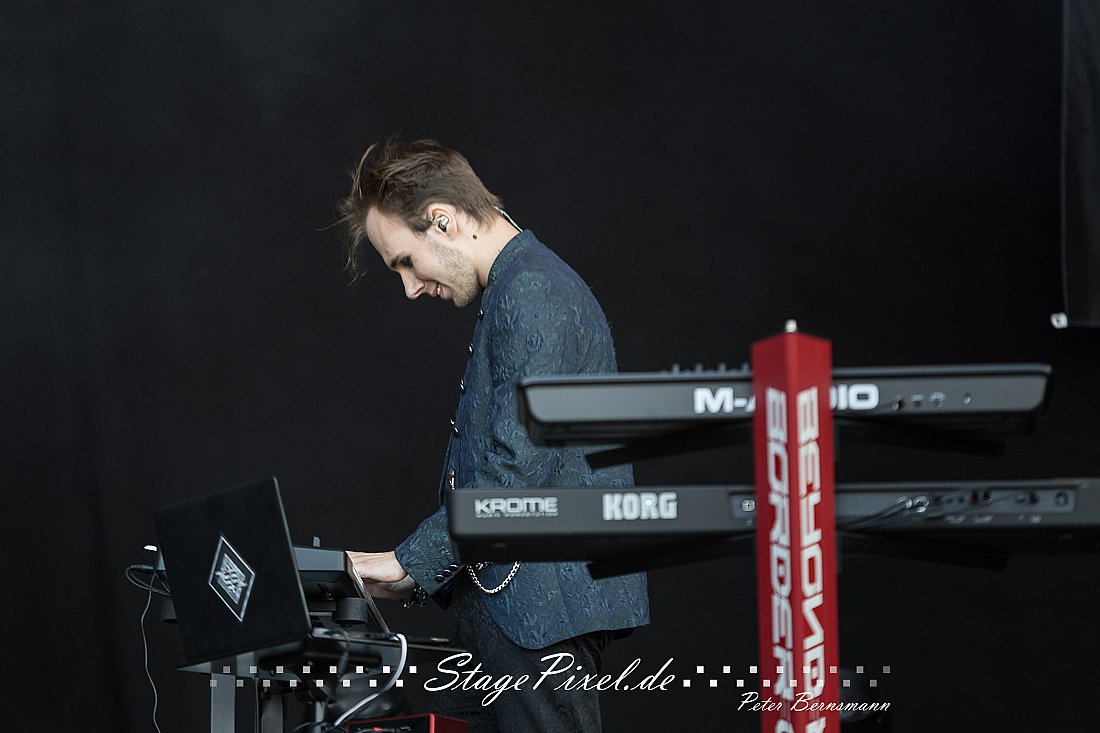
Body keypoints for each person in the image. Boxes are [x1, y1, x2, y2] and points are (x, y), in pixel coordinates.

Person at [335, 139, 649, 732]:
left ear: (443, 221)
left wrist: (412, 561)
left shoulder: (534, 289)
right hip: (513, 608)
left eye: (405, 262)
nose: (410, 288)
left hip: (538, 613)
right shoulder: (517, 287)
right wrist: (418, 571)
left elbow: (516, 472)